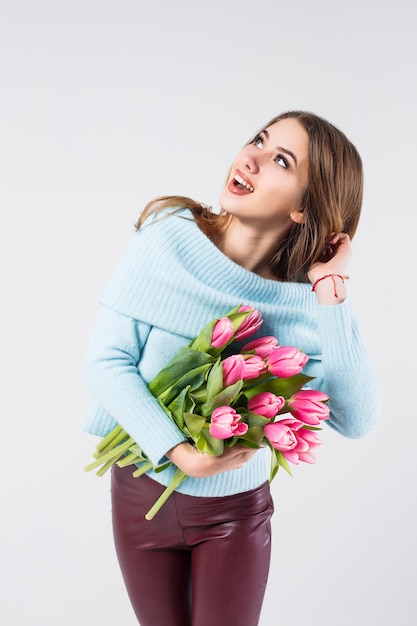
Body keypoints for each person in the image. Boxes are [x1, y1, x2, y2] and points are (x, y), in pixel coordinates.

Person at [83, 110, 379, 626]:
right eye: (258, 141)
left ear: (305, 209)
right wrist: (182, 453)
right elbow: (107, 363)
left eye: (280, 160)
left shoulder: (303, 304)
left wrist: (331, 293)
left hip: (233, 514)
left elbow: (357, 420)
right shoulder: (166, 238)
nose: (250, 157)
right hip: (138, 496)